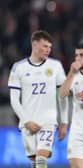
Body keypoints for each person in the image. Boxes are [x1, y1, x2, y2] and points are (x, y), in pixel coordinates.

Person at [8, 30, 68, 168]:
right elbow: (14, 100)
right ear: (34, 45)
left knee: (41, 158)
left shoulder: (55, 66)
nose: (48, 50)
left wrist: (64, 121)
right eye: (45, 46)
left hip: (48, 120)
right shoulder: (19, 68)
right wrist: (26, 120)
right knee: (34, 161)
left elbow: (62, 96)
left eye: (50, 47)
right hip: (27, 122)